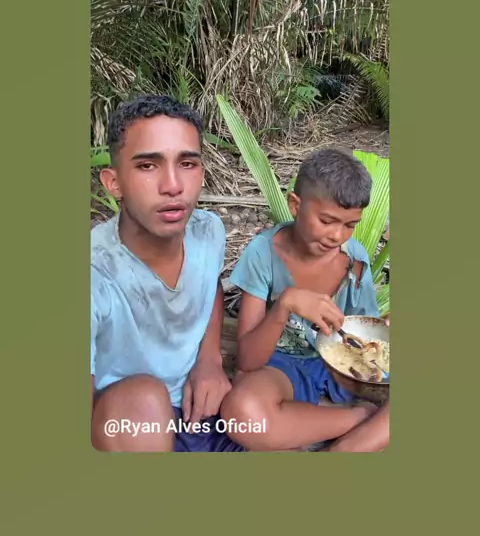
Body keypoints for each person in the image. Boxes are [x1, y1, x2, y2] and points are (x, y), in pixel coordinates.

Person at [91, 94, 243, 452]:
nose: (173, 185)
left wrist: (210, 358)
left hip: (200, 409)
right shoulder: (95, 272)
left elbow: (211, 286)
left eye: (187, 163)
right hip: (127, 424)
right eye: (148, 165)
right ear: (114, 182)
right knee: (146, 399)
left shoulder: (208, 231)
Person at [221, 147, 390, 452]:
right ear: (295, 205)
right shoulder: (263, 253)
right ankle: (360, 420)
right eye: (326, 221)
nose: (337, 235)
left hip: (343, 367)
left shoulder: (354, 259)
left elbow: (366, 335)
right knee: (242, 413)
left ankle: (342, 451)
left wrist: (384, 329)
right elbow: (248, 359)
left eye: (349, 225)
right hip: (282, 366)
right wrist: (285, 305)